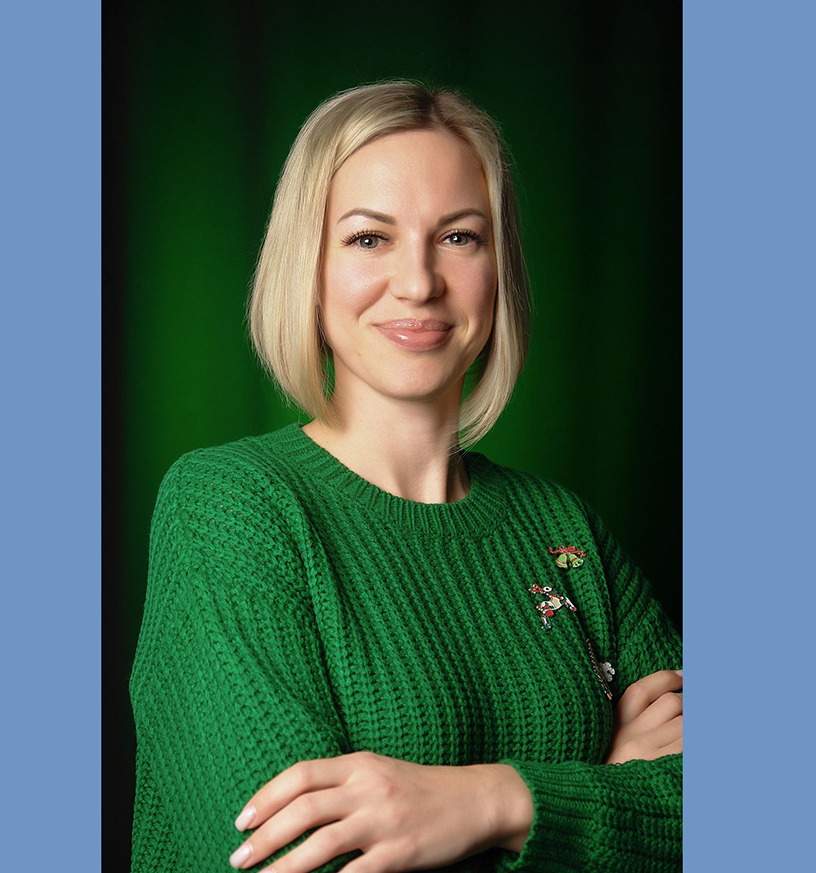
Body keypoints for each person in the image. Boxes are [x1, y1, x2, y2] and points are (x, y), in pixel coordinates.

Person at [129, 80, 683, 873]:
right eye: (369, 238)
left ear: (500, 268)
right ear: (308, 265)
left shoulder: (564, 529)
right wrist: (613, 795)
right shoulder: (229, 506)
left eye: (459, 236)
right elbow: (293, 860)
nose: (419, 282)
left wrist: (497, 801)